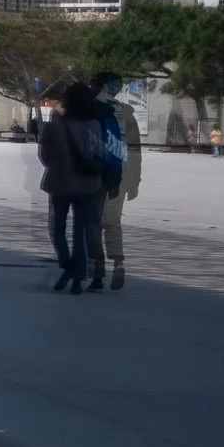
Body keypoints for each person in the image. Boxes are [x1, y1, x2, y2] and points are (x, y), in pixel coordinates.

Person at [37, 83, 109, 291]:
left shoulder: (54, 126)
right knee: (80, 231)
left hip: (60, 182)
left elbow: (45, 156)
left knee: (57, 227)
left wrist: (60, 166)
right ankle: (78, 276)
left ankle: (66, 263)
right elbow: (100, 154)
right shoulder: (94, 125)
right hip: (87, 184)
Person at [92, 73, 142, 290]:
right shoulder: (126, 113)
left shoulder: (91, 109)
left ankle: (96, 264)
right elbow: (135, 150)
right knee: (113, 222)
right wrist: (135, 180)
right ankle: (118, 262)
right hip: (120, 171)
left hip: (94, 172)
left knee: (93, 221)